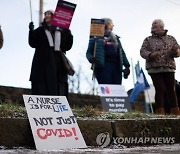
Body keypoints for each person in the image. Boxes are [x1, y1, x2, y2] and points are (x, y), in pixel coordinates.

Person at [28, 10, 73, 97]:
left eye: (49, 14)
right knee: (42, 85)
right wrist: (31, 31)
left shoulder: (62, 31)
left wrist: (69, 33)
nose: (46, 16)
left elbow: (67, 46)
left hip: (58, 64)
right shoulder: (40, 30)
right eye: (45, 14)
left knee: (58, 86)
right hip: (42, 63)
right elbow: (33, 43)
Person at [140, 19, 180, 115]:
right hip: (154, 68)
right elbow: (142, 51)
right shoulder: (148, 40)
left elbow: (177, 52)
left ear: (161, 26)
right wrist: (151, 55)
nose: (153, 25)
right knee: (160, 89)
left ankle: (175, 112)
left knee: (171, 89)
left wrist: (176, 51)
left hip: (168, 67)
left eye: (155, 24)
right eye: (152, 24)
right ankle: (160, 112)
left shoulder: (171, 38)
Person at [86, 18, 130, 84]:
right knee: (106, 89)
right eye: (112, 24)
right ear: (107, 25)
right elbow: (88, 52)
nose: (113, 26)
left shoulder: (116, 38)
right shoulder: (95, 38)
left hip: (116, 67)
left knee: (117, 90)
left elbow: (122, 53)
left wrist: (127, 65)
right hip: (102, 67)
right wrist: (91, 58)